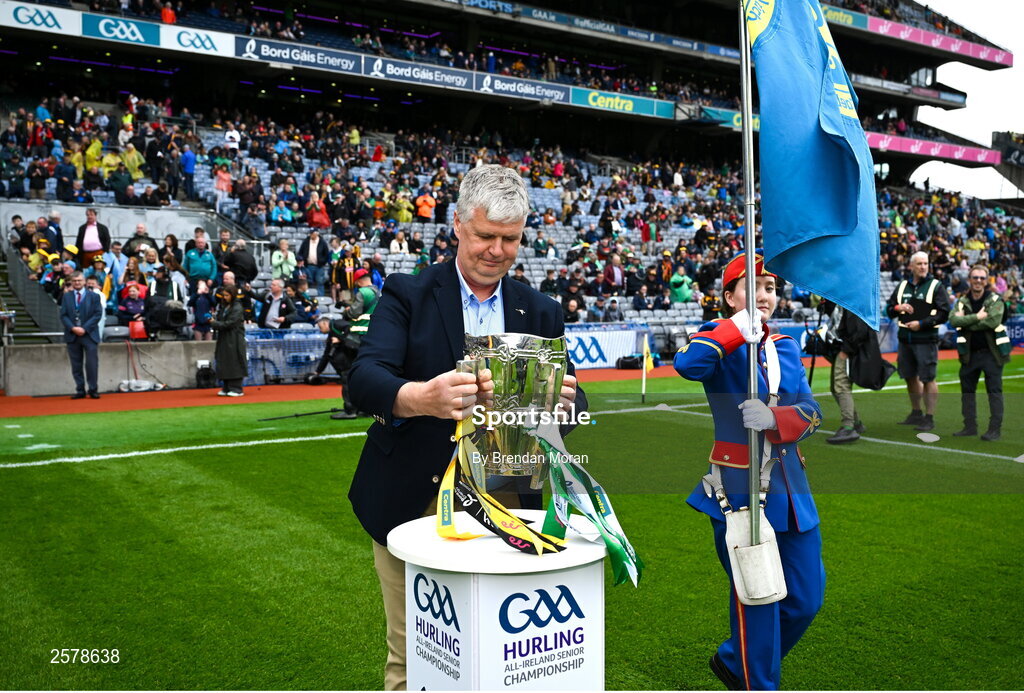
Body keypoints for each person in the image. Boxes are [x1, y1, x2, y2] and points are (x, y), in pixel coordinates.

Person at [347, 165, 587, 691]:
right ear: (457, 225)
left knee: (500, 658)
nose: (497, 250)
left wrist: (562, 406)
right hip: (411, 501)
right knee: (415, 659)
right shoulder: (408, 293)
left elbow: (573, 400)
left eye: (510, 239)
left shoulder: (541, 310)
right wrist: (418, 398)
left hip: (509, 501)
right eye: (485, 236)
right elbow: (362, 380)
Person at [674, 251, 824, 691]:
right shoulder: (716, 339)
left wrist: (778, 420)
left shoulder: (787, 348)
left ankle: (732, 660)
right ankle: (756, 682)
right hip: (740, 493)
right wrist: (739, 328)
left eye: (771, 288)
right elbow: (689, 364)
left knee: (804, 600)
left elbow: (812, 412)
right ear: (728, 296)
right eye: (752, 286)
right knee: (757, 599)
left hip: (792, 492)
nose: (764, 295)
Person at [885, 251, 951, 432]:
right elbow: (889, 310)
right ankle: (916, 413)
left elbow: (944, 313)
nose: (923, 267)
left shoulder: (936, 286)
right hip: (905, 339)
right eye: (919, 264)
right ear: (911, 266)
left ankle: (929, 417)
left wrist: (921, 324)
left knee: (928, 378)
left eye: (925, 263)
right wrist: (899, 307)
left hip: (926, 339)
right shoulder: (902, 286)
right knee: (909, 376)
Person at [949, 265, 1010, 441]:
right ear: (969, 279)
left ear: (987, 280)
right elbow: (953, 320)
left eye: (982, 278)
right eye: (975, 277)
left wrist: (965, 321)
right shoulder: (961, 301)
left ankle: (994, 429)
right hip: (969, 354)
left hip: (992, 354)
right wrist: (976, 317)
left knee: (994, 392)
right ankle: (969, 426)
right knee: (967, 392)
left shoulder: (995, 299)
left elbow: (992, 321)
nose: (978, 281)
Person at [59, 271, 102, 399]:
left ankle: (93, 389)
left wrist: (84, 328)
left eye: (79, 280)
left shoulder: (94, 296)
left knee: (92, 364)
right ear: (71, 282)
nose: (77, 283)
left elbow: (97, 314)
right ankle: (80, 390)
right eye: (75, 281)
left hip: (89, 335)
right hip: (73, 335)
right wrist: (73, 328)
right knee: (76, 365)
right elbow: (63, 315)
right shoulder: (67, 296)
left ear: (84, 281)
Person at [314, 315, 358, 420]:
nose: (320, 330)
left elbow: (351, 331)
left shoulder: (337, 324)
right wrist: (318, 371)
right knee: (354, 387)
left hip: (349, 364)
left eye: (320, 327)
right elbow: (326, 354)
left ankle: (350, 411)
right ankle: (360, 410)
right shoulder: (331, 334)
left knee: (348, 388)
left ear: (325, 323)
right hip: (347, 365)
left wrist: (341, 339)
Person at [210, 286, 247, 396]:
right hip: (224, 337)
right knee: (224, 360)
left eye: (227, 295)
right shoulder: (224, 306)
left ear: (233, 295)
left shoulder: (237, 307)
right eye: (223, 295)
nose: (224, 298)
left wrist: (214, 323)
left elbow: (230, 323)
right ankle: (226, 387)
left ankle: (236, 388)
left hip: (234, 338)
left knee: (234, 361)